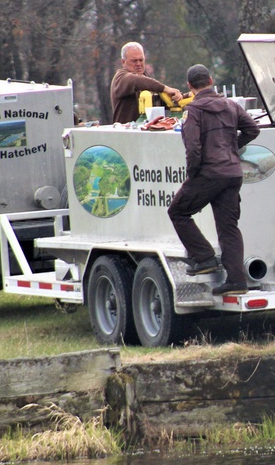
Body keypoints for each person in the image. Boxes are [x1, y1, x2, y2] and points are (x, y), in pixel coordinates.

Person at [167, 64, 260, 296]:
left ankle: (205, 257)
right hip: (232, 174)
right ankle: (237, 281)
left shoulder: (193, 110)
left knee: (178, 212)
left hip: (209, 173)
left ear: (189, 86)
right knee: (229, 228)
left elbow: (193, 148)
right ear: (211, 80)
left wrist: (193, 174)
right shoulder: (231, 105)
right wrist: (231, 149)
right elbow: (253, 129)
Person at [110, 41, 184, 124]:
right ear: (123, 62)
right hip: (127, 134)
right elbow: (136, 81)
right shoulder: (121, 78)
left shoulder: (147, 80)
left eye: (141, 60)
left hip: (149, 132)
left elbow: (164, 101)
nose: (138, 64)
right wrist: (166, 89)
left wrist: (182, 97)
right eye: (134, 61)